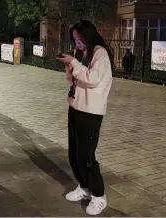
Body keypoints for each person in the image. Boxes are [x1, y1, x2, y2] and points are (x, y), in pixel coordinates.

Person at [56, 20, 114, 216]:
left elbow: (92, 79)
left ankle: (99, 195)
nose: (77, 43)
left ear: (88, 36)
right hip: (75, 107)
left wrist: (73, 62)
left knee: (86, 156)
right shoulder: (84, 53)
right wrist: (70, 64)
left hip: (90, 112)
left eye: (79, 39)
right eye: (74, 39)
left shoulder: (100, 53)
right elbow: (73, 80)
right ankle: (85, 187)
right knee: (74, 153)